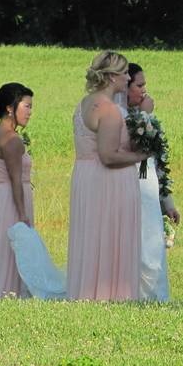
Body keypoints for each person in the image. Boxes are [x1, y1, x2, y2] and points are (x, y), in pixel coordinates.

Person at [67, 51, 148, 301]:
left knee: (92, 233)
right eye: (124, 73)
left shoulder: (84, 104)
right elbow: (109, 156)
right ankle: (112, 292)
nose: (127, 77)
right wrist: (141, 156)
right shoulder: (110, 110)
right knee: (110, 233)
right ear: (112, 77)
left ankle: (88, 289)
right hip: (108, 180)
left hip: (84, 176)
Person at [127, 63, 180, 301]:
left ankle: (154, 295)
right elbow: (136, 147)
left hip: (148, 182)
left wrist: (167, 201)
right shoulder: (121, 117)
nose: (144, 90)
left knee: (151, 243)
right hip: (129, 184)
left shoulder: (142, 116)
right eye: (139, 85)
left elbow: (157, 160)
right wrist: (145, 117)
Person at [0, 83, 35, 298]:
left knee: (0, 254)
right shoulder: (12, 140)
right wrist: (22, 215)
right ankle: (8, 296)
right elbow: (14, 179)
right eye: (27, 106)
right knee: (11, 254)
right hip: (11, 202)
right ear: (11, 108)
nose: (30, 112)